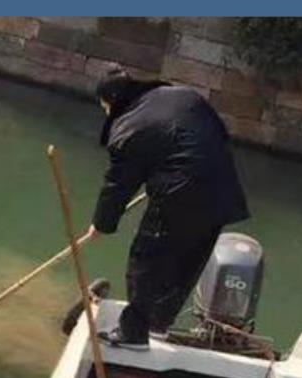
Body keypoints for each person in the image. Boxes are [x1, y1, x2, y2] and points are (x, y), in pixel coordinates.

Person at [88, 69, 250, 350]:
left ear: (112, 101)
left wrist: (101, 224)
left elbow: (119, 183)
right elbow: (212, 138)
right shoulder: (182, 96)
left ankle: (133, 333)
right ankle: (158, 325)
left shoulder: (128, 126)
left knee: (146, 258)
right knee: (188, 261)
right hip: (222, 190)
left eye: (104, 107)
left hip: (181, 192)